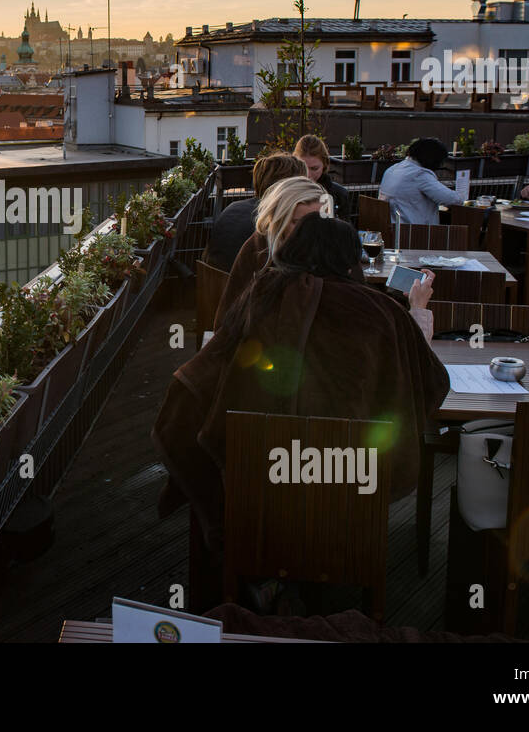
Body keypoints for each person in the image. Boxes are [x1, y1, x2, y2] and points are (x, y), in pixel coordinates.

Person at [152, 215, 449, 609]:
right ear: (349, 261)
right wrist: (418, 312)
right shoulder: (381, 312)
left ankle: (255, 566)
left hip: (261, 478)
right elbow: (427, 383)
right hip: (349, 483)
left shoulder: (262, 296)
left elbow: (200, 379)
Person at [214, 175, 328, 328]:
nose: (306, 230)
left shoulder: (334, 246)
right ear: (279, 220)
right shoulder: (259, 248)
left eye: (314, 221)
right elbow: (228, 316)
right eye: (296, 222)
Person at [203, 153, 307, 271]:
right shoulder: (271, 220)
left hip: (215, 284)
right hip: (249, 286)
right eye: (303, 185)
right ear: (289, 186)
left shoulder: (233, 208)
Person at [377, 137, 464, 224]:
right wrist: (462, 197)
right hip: (414, 232)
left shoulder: (392, 169)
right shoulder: (419, 174)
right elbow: (452, 199)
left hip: (392, 228)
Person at [293, 134, 351, 222]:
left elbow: (346, 232)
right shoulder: (282, 192)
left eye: (314, 168)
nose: (308, 175)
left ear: (324, 165)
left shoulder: (340, 194)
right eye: (303, 167)